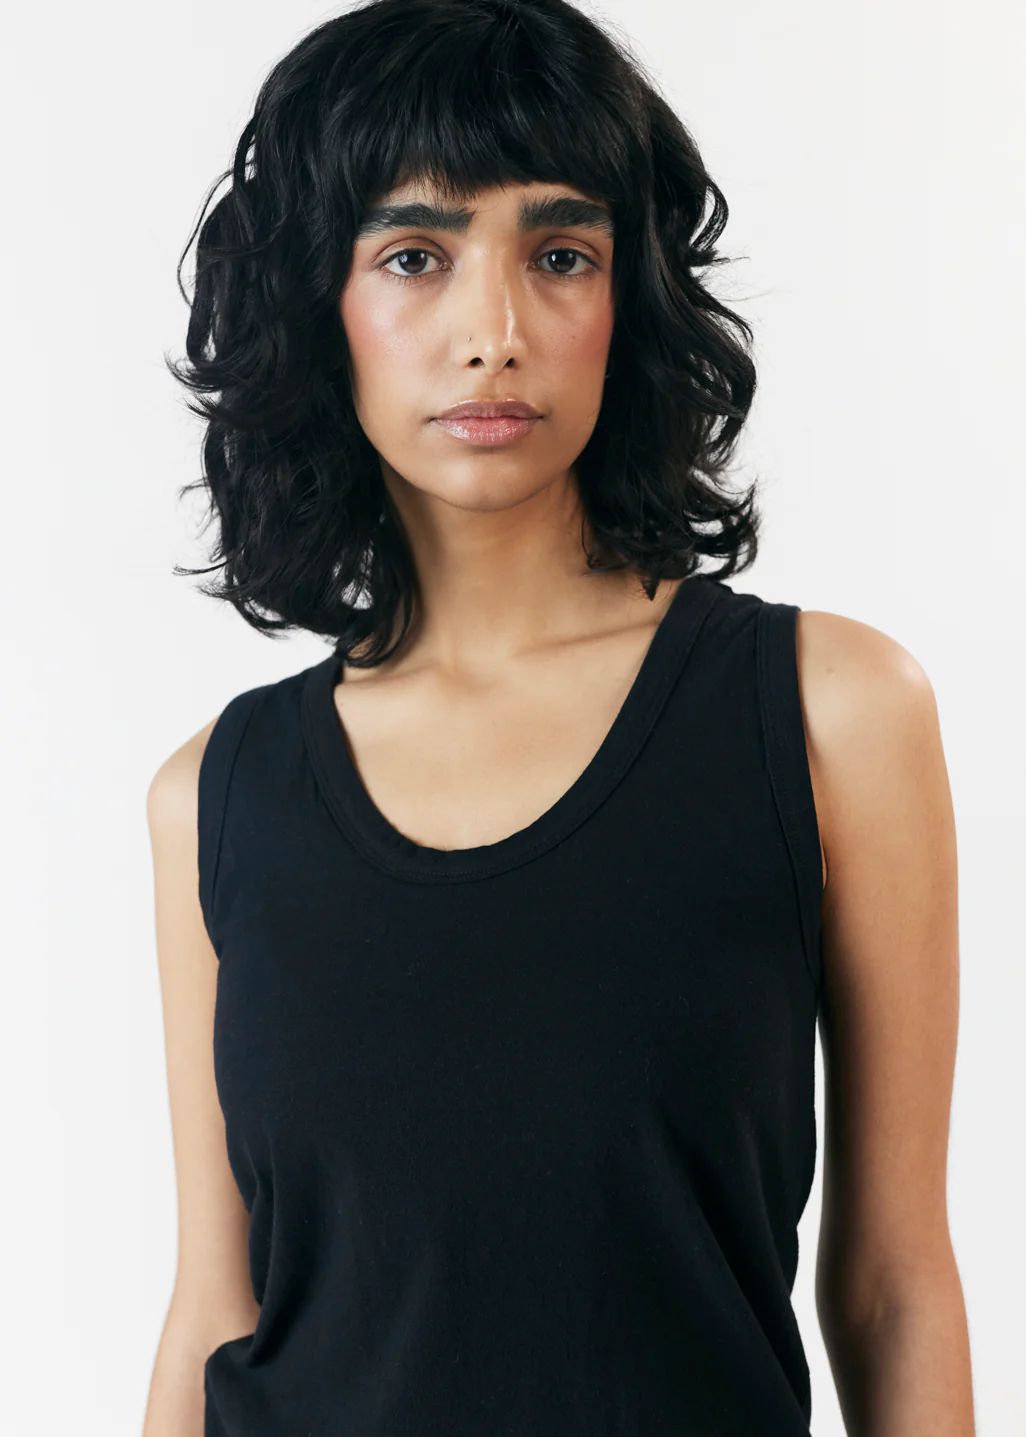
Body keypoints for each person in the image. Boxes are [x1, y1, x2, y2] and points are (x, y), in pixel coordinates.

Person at [143, 1, 974, 1434]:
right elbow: (215, 1307)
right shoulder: (217, 791)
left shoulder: (828, 715)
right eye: (415, 256)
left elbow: (895, 1284)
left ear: (625, 301)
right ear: (318, 307)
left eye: (560, 255)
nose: (495, 334)